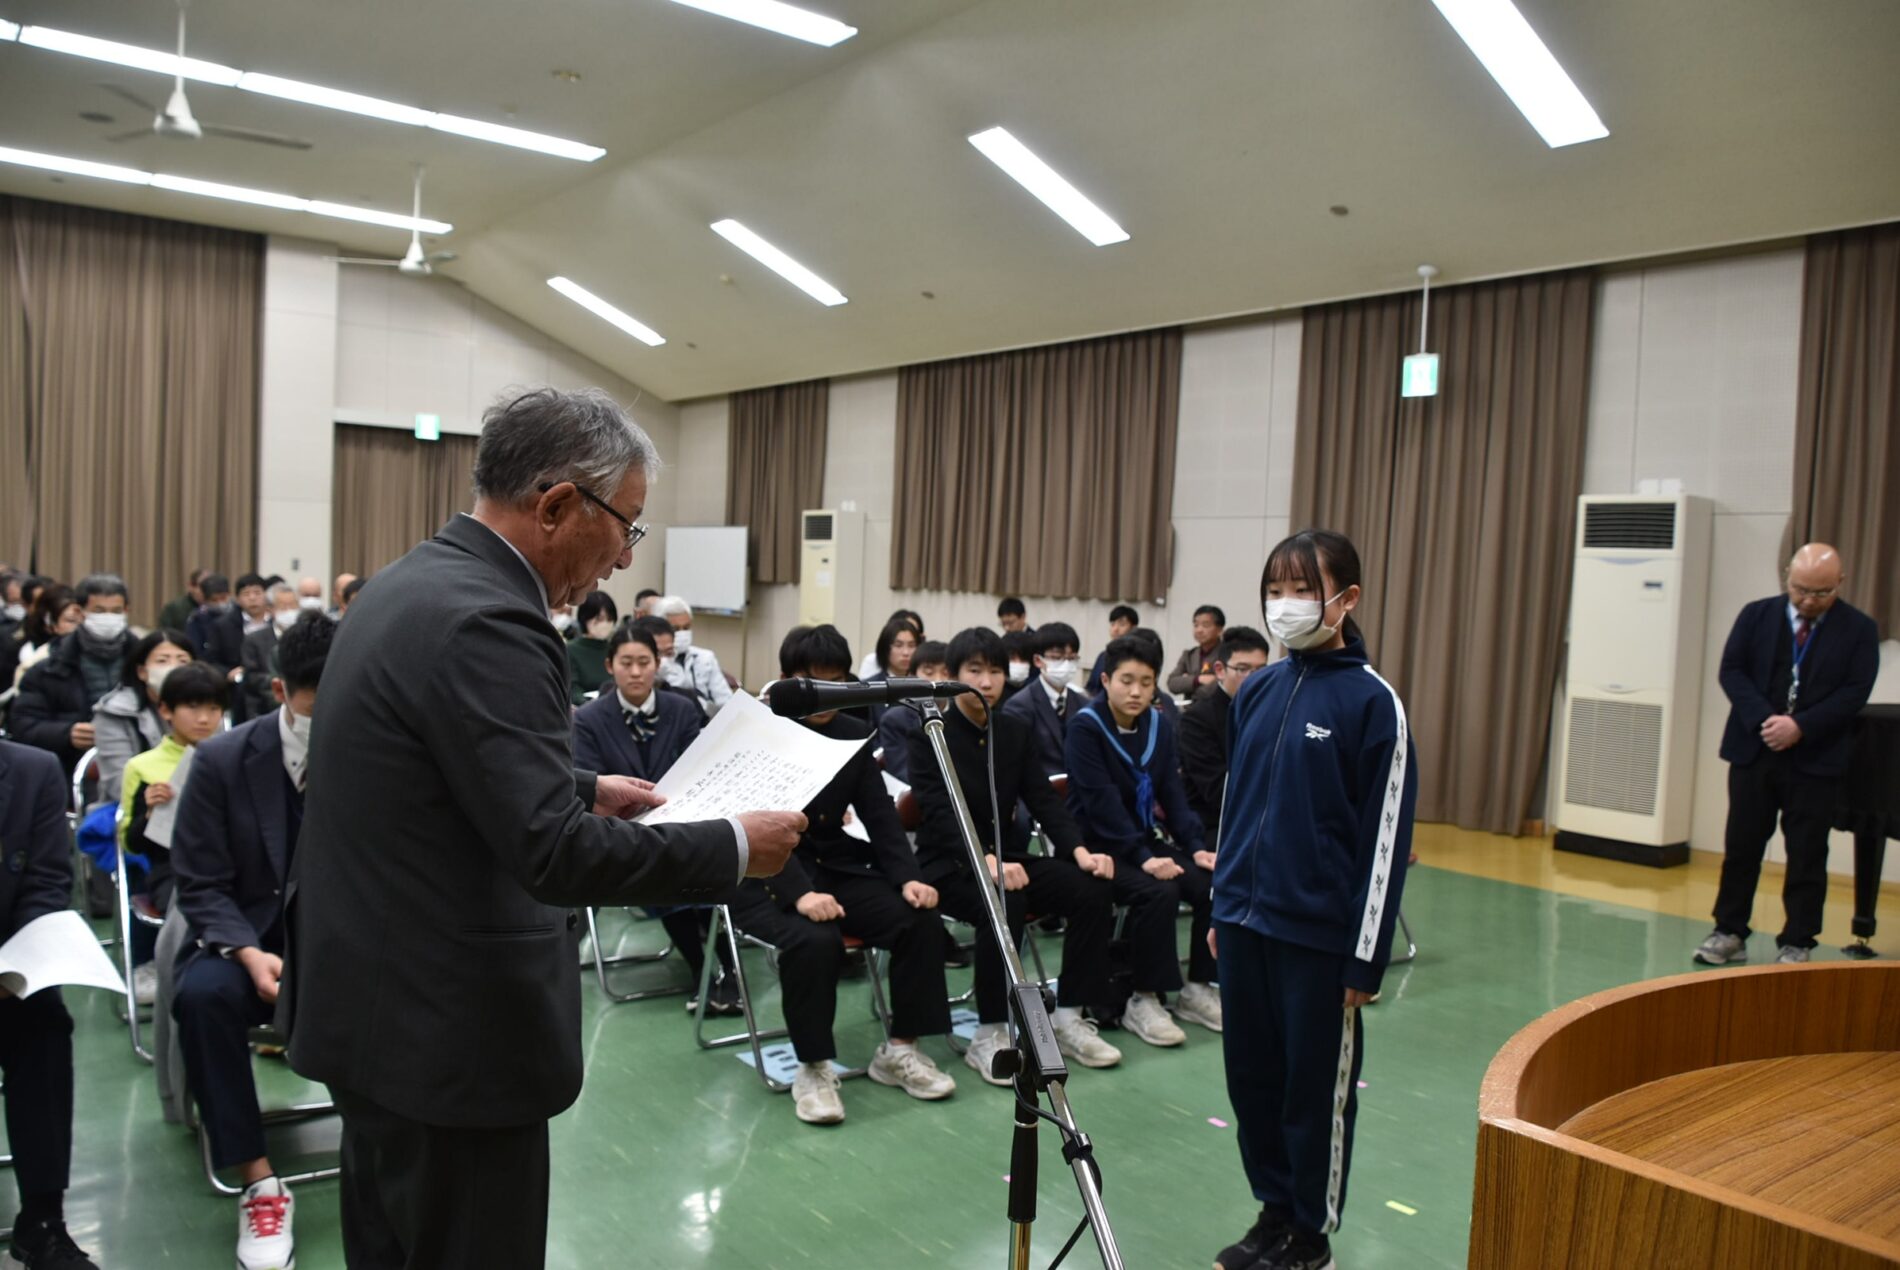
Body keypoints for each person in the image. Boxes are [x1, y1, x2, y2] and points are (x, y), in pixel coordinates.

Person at [285, 386, 803, 1269]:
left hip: (375, 1011)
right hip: (449, 1035)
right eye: (626, 526)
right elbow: (551, 852)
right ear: (559, 505)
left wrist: (578, 785)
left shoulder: (413, 581)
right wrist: (732, 846)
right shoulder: (494, 617)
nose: (622, 559)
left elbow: (425, 768)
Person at [1211, 529, 1416, 1270]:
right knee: (1253, 1080)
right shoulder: (1258, 690)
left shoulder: (1373, 704)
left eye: (1302, 590)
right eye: (1274, 590)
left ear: (1346, 598)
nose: (1285, 605)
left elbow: (1385, 838)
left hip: (1319, 940)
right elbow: (1235, 804)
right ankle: (1272, 1211)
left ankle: (1310, 1232)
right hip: (1244, 923)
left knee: (1312, 1091)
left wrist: (1366, 956)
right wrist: (1221, 904)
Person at [726, 626, 958, 1124]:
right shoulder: (757, 732)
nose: (825, 694)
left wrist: (908, 877)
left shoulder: (853, 731)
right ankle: (812, 1067)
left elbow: (879, 814)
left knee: (919, 919)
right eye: (815, 681)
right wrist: (800, 894)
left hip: (835, 864)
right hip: (765, 876)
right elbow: (747, 823)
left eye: (836, 681)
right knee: (815, 941)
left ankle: (900, 1050)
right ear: (789, 680)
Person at [170, 613, 334, 1270]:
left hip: (338, 943)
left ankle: (392, 1148)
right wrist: (246, 951)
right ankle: (259, 1181)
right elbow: (199, 882)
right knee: (202, 998)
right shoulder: (221, 761)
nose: (334, 717)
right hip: (246, 943)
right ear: (279, 692)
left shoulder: (373, 752)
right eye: (318, 704)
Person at [907, 627, 1125, 1085]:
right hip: (949, 865)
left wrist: (1080, 851)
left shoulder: (1013, 731)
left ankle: (1068, 1016)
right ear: (952, 675)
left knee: (1090, 888)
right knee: (1005, 903)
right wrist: (984, 859)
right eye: (974, 671)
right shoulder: (930, 735)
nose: (986, 682)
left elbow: (1043, 800)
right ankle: (991, 1032)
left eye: (995, 671)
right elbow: (941, 812)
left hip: (1008, 861)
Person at [1694, 542, 1880, 967]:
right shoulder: (1756, 615)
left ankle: (1798, 940)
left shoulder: (1859, 629)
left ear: (1840, 583)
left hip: (1816, 759)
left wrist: (1801, 726)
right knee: (1742, 845)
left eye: (1822, 593)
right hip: (1754, 751)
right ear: (1787, 578)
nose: (1809, 601)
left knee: (1807, 853)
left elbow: (1855, 691)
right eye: (1801, 590)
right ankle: (1729, 930)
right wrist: (1767, 719)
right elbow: (1732, 671)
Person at [570, 621, 737, 1013]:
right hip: (623, 836)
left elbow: (699, 769)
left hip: (684, 824)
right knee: (670, 869)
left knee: (708, 863)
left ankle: (725, 973)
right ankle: (704, 970)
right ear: (609, 666)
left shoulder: (682, 708)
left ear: (658, 664)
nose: (636, 672)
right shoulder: (589, 719)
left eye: (644, 662)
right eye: (626, 663)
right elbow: (592, 788)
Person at [1064, 635, 1215, 1039]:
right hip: (1096, 846)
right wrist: (1144, 857)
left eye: (1146, 683)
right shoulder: (1086, 727)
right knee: (1158, 891)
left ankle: (1198, 988)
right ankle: (1143, 998)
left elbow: (1172, 794)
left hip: (1141, 840)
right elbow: (1102, 803)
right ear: (1106, 680)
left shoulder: (1158, 725)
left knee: (1209, 883)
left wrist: (1196, 848)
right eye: (1126, 681)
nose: (1136, 692)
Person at [0, 738, 102, 1270]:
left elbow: (45, 885)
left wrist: (14, 967)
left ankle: (42, 1221)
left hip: (5, 967)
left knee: (44, 1026)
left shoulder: (32, 771)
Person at [117, 661, 228, 1004]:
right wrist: (149, 811)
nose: (204, 719)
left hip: (231, 864)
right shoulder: (143, 766)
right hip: (173, 870)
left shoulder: (234, 755)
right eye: (192, 707)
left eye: (214, 708)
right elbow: (131, 843)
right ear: (166, 710)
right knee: (196, 910)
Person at [12, 574, 137, 776]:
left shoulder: (144, 661)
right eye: (99, 611)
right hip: (70, 769)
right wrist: (67, 733)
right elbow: (22, 726)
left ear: (126, 610)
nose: (108, 618)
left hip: (136, 764)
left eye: (116, 611)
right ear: (80, 612)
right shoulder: (48, 668)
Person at [1178, 626, 1271, 833]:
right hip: (1215, 826)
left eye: (1261, 670)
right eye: (1243, 669)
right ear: (1220, 670)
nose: (1254, 678)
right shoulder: (1198, 719)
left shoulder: (1270, 711)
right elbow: (1217, 791)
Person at [93, 628, 196, 810]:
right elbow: (119, 785)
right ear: (142, 671)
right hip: (139, 807)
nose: (173, 668)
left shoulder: (207, 711)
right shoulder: (115, 712)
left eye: (182, 661)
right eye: (163, 661)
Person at [1000, 622, 1089, 778]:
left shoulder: (1084, 704)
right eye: (1056, 658)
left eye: (1071, 658)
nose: (1066, 665)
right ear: (1038, 660)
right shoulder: (1019, 706)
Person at [876, 639, 948, 783]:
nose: (938, 680)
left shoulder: (965, 714)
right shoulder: (895, 720)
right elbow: (903, 772)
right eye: (929, 672)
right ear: (912, 676)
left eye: (945, 672)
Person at [651, 595, 734, 713]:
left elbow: (725, 699)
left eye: (686, 627)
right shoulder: (654, 661)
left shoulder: (706, 658)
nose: (682, 633)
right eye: (675, 629)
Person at [238, 582, 302, 723]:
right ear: (271, 609)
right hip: (264, 708)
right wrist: (283, 684)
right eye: (283, 607)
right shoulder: (254, 640)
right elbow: (252, 677)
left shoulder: (306, 638)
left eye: (293, 606)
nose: (289, 611)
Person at [565, 590, 619, 705]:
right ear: (585, 618)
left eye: (610, 619)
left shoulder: (616, 648)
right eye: (599, 619)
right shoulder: (570, 649)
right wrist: (589, 704)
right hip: (585, 708)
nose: (605, 624)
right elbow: (572, 688)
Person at [1168, 605, 1227, 702]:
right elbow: (1172, 683)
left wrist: (1187, 681)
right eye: (1196, 625)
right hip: (1189, 709)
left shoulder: (1227, 654)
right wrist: (1198, 680)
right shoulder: (1188, 655)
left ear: (1220, 630)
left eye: (1205, 625)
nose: (1199, 630)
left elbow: (1224, 684)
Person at [1085, 604, 1140, 696]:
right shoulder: (1103, 656)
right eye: (1112, 624)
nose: (1115, 629)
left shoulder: (1137, 657)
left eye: (1122, 625)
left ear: (1134, 628)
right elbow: (1091, 687)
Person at [858, 608, 924, 679]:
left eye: (911, 646)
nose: (906, 653)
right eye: (898, 645)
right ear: (885, 648)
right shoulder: (873, 684)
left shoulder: (924, 682)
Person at [185, 573, 235, 665]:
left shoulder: (240, 613)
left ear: (230, 594)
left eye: (223, 598)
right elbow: (196, 651)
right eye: (214, 600)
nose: (220, 603)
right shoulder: (197, 618)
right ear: (205, 600)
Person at [158, 567, 211, 634]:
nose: (207, 590)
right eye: (203, 586)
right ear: (191, 586)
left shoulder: (216, 607)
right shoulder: (174, 608)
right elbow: (163, 634)